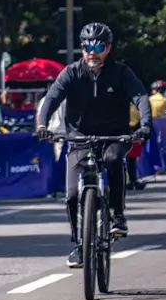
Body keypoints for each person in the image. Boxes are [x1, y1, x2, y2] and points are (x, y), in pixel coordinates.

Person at [37, 22, 151, 268]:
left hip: (114, 137)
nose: (92, 51)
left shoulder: (121, 72)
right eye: (87, 46)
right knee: (72, 194)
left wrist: (145, 124)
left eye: (98, 46)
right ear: (82, 48)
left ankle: (118, 216)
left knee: (112, 160)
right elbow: (52, 98)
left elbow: (140, 96)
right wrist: (42, 125)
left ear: (108, 48)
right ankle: (80, 244)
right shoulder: (72, 72)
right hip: (79, 139)